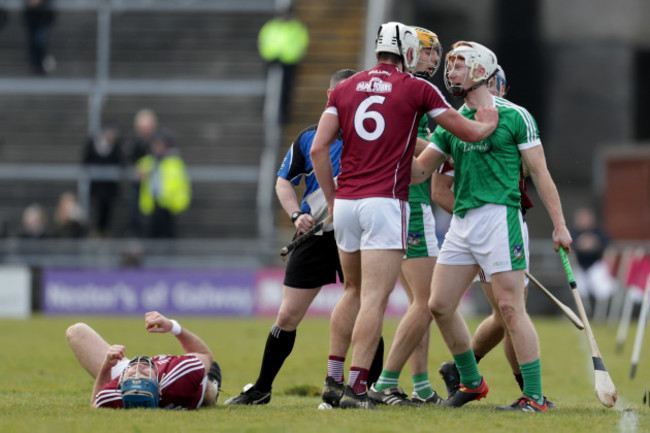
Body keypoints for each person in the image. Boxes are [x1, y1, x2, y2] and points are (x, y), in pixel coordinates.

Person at [311, 22, 498, 409]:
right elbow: (468, 133)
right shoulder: (417, 88)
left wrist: (331, 200)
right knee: (376, 299)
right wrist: (488, 121)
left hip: (345, 202)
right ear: (408, 51)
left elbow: (318, 149)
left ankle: (333, 380)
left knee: (352, 291)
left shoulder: (345, 87)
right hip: (384, 202)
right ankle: (360, 388)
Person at [412, 41, 572, 412]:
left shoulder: (516, 116)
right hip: (463, 221)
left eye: (458, 66)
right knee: (438, 305)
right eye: (449, 66)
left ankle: (534, 398)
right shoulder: (452, 121)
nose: (450, 72)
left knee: (510, 309)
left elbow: (541, 174)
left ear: (481, 71)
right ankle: (471, 382)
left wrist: (559, 226)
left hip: (501, 219)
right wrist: (391, 145)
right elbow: (422, 170)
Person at [224, 69, 384, 406]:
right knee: (287, 316)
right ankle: (262, 388)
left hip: (357, 234)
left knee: (366, 309)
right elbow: (284, 181)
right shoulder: (309, 138)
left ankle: (365, 390)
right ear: (330, 97)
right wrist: (296, 214)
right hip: (316, 236)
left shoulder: (373, 136)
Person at [368, 26, 445, 407]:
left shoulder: (392, 88)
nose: (433, 60)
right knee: (428, 301)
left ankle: (422, 386)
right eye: (427, 52)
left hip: (395, 203)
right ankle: (385, 382)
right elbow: (406, 139)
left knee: (421, 301)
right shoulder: (410, 90)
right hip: (411, 203)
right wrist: (443, 145)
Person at [66, 311, 222, 409]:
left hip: (136, 381)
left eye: (134, 372)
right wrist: (172, 327)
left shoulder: (121, 393)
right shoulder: (180, 374)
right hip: (184, 383)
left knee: (75, 332)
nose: (138, 366)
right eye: (143, 371)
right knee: (206, 385)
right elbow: (205, 354)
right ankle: (213, 387)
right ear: (159, 388)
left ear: (121, 385)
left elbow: (95, 403)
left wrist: (107, 365)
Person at [258, 3, 309, 124]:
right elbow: (264, 41)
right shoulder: (271, 26)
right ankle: (269, 112)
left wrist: (290, 56)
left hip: (289, 62)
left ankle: (283, 116)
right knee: (271, 88)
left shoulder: (297, 28)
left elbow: (301, 45)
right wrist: (270, 55)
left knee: (286, 90)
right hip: (273, 61)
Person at [135, 129, 191, 238]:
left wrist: (180, 201)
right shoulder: (149, 160)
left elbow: (182, 184)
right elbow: (139, 174)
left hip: (169, 204)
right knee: (152, 234)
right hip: (153, 204)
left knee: (168, 234)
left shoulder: (174, 162)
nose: (157, 147)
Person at [571, 206, 616, 320]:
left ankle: (600, 316)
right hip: (579, 267)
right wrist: (580, 244)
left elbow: (609, 245)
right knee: (580, 292)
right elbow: (569, 248)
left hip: (596, 266)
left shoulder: (598, 232)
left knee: (601, 290)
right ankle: (584, 315)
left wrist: (594, 243)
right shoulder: (574, 233)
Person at [82, 123, 123, 237]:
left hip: (109, 186)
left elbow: (120, 162)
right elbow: (85, 161)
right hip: (97, 185)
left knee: (107, 209)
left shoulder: (116, 147)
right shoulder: (93, 145)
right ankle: (96, 230)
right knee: (96, 208)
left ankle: (105, 231)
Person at [123, 108, 159, 236]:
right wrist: (135, 171)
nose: (146, 130)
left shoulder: (158, 142)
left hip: (155, 184)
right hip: (137, 184)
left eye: (148, 126)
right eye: (143, 127)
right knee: (134, 213)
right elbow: (126, 159)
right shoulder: (132, 142)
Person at [22, 0, 56, 75]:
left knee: (39, 40)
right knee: (34, 41)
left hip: (43, 15)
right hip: (32, 16)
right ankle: (36, 65)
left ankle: (39, 65)